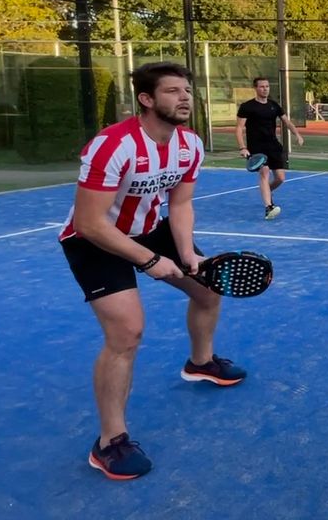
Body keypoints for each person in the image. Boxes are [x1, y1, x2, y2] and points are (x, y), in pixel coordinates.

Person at [59, 62, 246, 481]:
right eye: (172, 91)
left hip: (149, 229)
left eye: (187, 90)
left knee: (208, 290)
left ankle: (200, 362)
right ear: (146, 99)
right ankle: (110, 442)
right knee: (127, 333)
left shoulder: (189, 144)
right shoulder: (112, 145)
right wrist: (148, 260)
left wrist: (186, 253)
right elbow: (89, 223)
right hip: (94, 240)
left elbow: (180, 204)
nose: (185, 98)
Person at [236, 76, 304, 220]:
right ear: (255, 88)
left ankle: (266, 191)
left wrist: (297, 134)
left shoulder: (274, 105)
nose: (265, 89)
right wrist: (242, 147)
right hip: (257, 147)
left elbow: (286, 122)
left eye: (267, 86)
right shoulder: (247, 107)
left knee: (280, 178)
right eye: (262, 87)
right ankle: (269, 207)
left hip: (273, 146)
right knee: (264, 172)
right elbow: (239, 128)